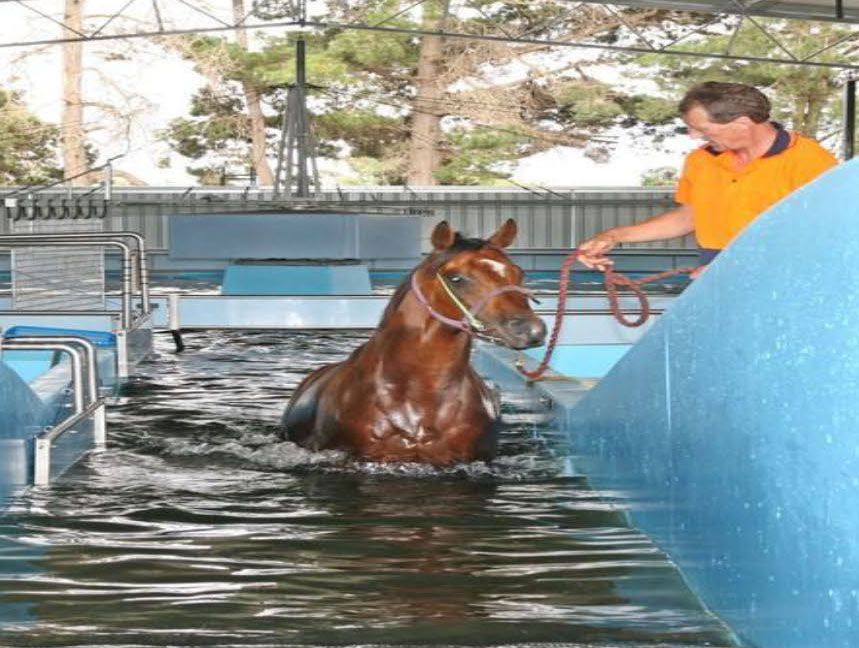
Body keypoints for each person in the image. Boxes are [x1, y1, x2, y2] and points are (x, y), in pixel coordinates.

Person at [576, 81, 838, 272]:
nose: (693, 136)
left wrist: (739, 270)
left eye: (701, 129)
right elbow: (688, 217)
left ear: (743, 123)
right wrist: (613, 236)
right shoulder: (700, 161)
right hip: (714, 270)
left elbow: (824, 236)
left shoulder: (810, 162)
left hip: (785, 277)